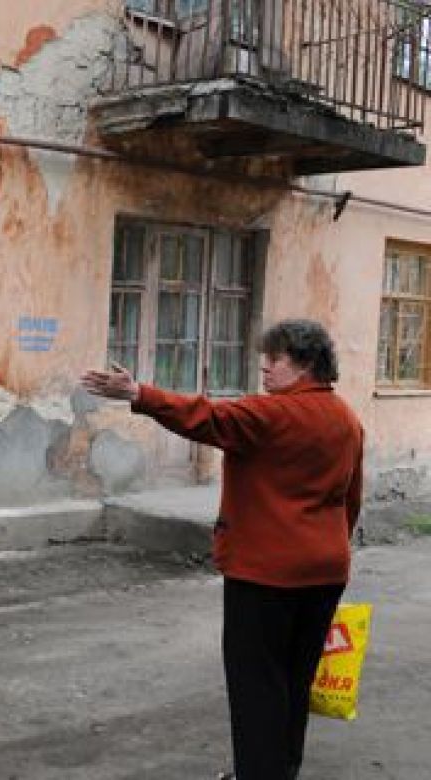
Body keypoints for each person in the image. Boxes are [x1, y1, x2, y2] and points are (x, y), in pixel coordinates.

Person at [81, 319, 363, 780]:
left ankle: (258, 773)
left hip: (265, 573)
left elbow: (205, 417)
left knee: (257, 684)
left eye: (275, 360)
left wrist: (139, 394)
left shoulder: (269, 415)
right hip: (325, 570)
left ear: (307, 365)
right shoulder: (346, 418)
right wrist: (329, 548)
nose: (265, 368)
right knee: (295, 680)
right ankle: (280, 769)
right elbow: (351, 498)